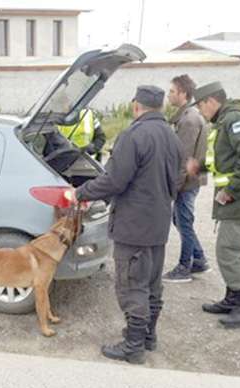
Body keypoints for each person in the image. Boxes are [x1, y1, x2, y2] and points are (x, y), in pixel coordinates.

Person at [72, 86, 184, 364]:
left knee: (132, 284)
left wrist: (81, 192)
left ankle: (133, 346)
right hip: (158, 223)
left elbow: (114, 180)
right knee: (152, 282)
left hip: (133, 225)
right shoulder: (171, 135)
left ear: (136, 106)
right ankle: (148, 337)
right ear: (159, 107)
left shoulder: (134, 135)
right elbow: (180, 178)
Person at [187, 82, 240, 328]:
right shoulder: (226, 120)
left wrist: (231, 191)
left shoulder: (235, 119)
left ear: (211, 102)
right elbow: (225, 157)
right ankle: (233, 297)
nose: (201, 112)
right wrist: (200, 166)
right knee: (233, 247)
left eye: (201, 106)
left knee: (228, 249)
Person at [162, 74, 211, 283]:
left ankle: (184, 267)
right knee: (181, 220)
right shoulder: (188, 115)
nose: (169, 95)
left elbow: (183, 159)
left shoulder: (189, 119)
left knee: (184, 221)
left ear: (183, 93)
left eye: (172, 91)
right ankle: (199, 259)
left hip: (186, 183)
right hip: (189, 181)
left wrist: (173, 189)